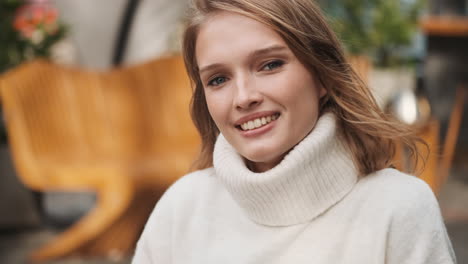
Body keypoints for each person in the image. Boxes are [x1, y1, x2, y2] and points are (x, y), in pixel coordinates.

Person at [132, 0, 457, 263]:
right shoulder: (182, 208)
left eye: (270, 65)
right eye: (218, 79)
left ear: (322, 75)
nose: (244, 97)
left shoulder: (399, 208)